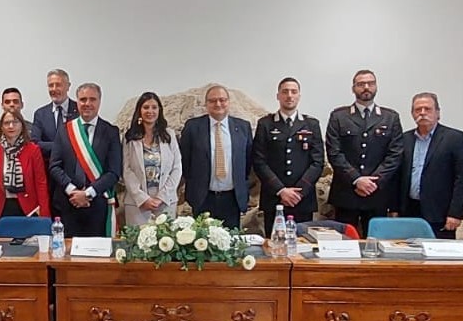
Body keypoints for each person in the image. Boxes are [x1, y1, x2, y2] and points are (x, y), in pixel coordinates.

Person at [325, 69, 403, 237]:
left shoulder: (390, 117)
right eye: (361, 84)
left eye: (370, 83)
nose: (366, 87)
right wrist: (356, 179)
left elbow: (395, 154)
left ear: (376, 87)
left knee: (376, 244)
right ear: (353, 88)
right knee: (344, 245)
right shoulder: (339, 116)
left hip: (378, 194)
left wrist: (373, 182)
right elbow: (334, 152)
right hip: (346, 193)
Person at [390, 92, 463, 239]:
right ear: (412, 114)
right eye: (418, 110)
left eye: (427, 109)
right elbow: (397, 177)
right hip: (409, 211)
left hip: (440, 213)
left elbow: (462, 179)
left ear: (437, 113)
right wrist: (394, 209)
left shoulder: (454, 138)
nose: (422, 113)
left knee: (440, 252)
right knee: (408, 251)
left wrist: (455, 213)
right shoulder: (404, 139)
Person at [252, 78, 324, 236]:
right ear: (278, 96)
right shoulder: (265, 124)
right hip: (275, 198)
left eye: (293, 92)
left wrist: (299, 192)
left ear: (299, 96)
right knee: (274, 244)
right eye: (285, 92)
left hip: (303, 200)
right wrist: (281, 190)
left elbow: (318, 162)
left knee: (303, 244)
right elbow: (259, 161)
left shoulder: (311, 124)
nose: (289, 95)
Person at [49, 83, 122, 237]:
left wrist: (88, 193)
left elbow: (114, 172)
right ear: (77, 102)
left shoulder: (111, 132)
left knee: (97, 251)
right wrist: (72, 191)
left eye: (92, 99)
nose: (87, 103)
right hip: (68, 204)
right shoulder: (65, 130)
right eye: (83, 99)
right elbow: (54, 166)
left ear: (99, 101)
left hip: (98, 205)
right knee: (68, 251)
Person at [180, 85, 253, 229]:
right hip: (203, 198)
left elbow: (247, 161)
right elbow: (185, 161)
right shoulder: (193, 127)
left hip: (232, 199)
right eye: (212, 101)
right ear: (206, 104)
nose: (218, 104)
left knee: (231, 240)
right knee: (201, 240)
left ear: (228, 102)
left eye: (222, 100)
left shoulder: (243, 127)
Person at [0, 92, 50, 219]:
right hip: (0, 207)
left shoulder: (33, 150)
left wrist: (44, 214)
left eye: (15, 122)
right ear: (2, 127)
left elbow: (41, 183)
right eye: (7, 123)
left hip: (29, 208)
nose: (11, 126)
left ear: (22, 125)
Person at [122, 92, 182, 226]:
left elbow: (177, 168)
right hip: (137, 203)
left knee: (165, 238)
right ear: (139, 110)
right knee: (137, 239)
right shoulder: (130, 137)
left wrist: (162, 197)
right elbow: (126, 170)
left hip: (165, 201)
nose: (150, 111)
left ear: (159, 110)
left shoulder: (169, 135)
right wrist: (142, 198)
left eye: (154, 107)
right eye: (146, 107)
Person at [32, 69, 79, 158]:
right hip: (49, 163)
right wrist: (62, 147)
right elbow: (35, 143)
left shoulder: (79, 110)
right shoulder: (40, 114)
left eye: (58, 85)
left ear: (68, 86)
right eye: (51, 85)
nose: (54, 89)